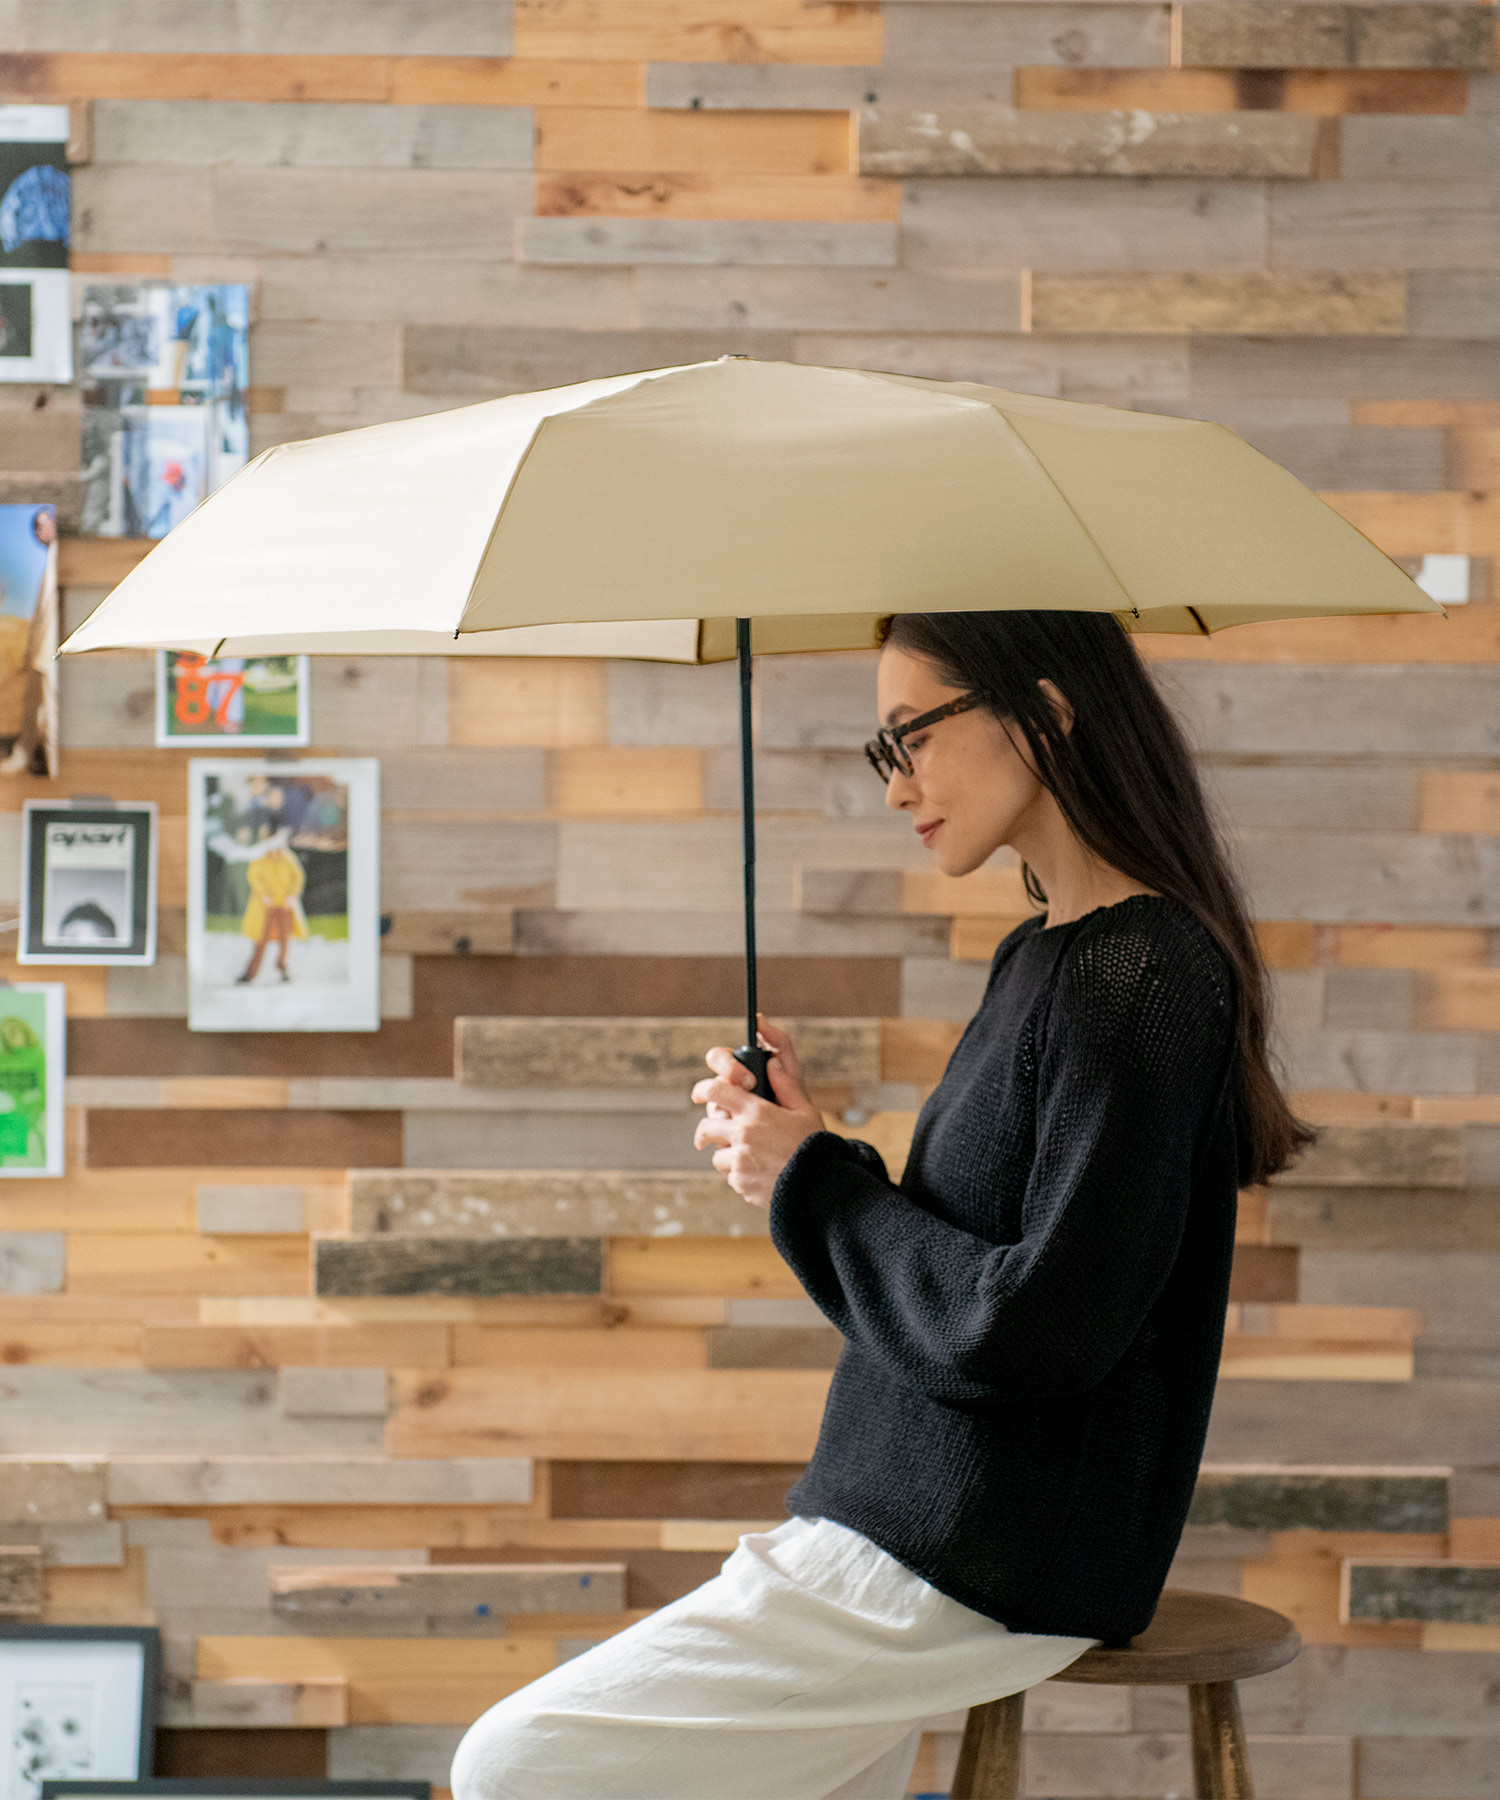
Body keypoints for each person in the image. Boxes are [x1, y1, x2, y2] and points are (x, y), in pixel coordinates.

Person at [449, 608, 1311, 1800]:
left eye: (912, 736)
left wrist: (805, 1179)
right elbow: (967, 1253)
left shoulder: (1140, 972)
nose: (896, 781)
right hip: (904, 1524)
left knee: (515, 1762)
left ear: (1047, 716)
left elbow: (1040, 1323)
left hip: (986, 1550)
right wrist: (807, 1156)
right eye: (881, 750)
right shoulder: (1046, 958)